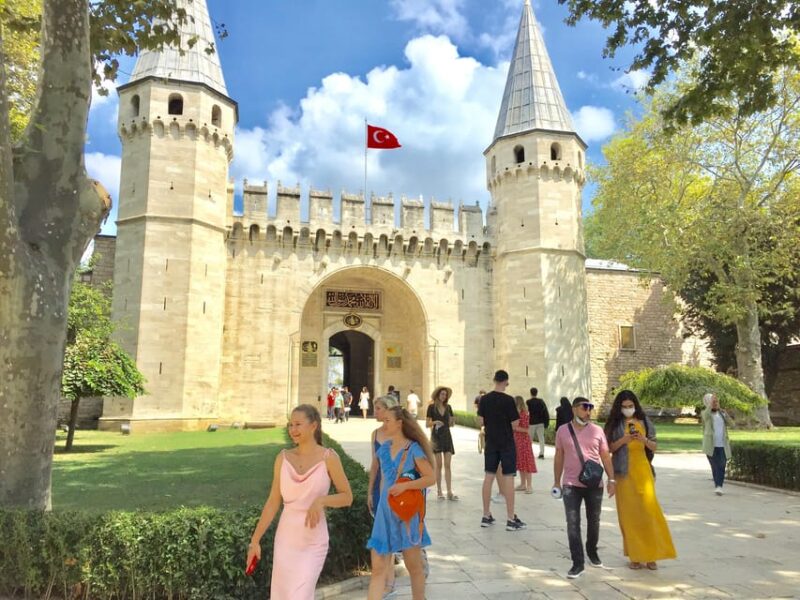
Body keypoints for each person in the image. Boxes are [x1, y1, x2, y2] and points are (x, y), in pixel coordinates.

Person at [247, 405, 353, 600]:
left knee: (300, 595)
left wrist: (321, 500)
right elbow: (273, 502)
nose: (292, 429)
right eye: (290, 424)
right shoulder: (283, 458)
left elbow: (347, 496)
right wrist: (255, 541)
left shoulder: (329, 457)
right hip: (286, 541)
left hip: (313, 542)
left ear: (313, 426)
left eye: (298, 424)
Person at [367, 405, 435, 600]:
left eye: (388, 420)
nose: (384, 423)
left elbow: (430, 478)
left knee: (414, 567)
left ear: (399, 423)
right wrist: (375, 499)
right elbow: (380, 480)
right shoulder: (384, 449)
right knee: (378, 569)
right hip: (385, 515)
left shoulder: (413, 449)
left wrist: (405, 487)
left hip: (407, 515)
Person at [604, 390, 676, 570]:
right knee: (629, 516)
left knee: (649, 512)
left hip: (643, 470)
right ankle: (635, 556)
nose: (628, 409)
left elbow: (654, 446)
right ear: (619, 408)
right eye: (624, 407)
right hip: (623, 473)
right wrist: (624, 439)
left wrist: (643, 439)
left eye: (630, 406)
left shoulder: (644, 422)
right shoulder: (615, 424)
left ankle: (652, 555)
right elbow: (609, 449)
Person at [553, 397, 616, 579]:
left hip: (594, 484)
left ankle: (592, 551)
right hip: (571, 484)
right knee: (572, 523)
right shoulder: (563, 431)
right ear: (574, 409)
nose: (588, 411)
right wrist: (557, 481)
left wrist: (612, 480)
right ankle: (577, 563)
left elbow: (605, 456)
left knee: (594, 520)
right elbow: (559, 456)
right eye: (584, 408)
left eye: (590, 408)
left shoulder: (597, 430)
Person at [477, 370, 525, 531]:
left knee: (488, 476)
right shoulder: (509, 400)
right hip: (506, 442)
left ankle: (486, 515)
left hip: (491, 442)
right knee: (509, 477)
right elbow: (515, 424)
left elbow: (480, 420)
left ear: (494, 380)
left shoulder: (484, 399)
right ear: (506, 382)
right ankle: (511, 518)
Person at [367, 395, 400, 597]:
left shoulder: (399, 433)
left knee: (390, 533)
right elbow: (374, 464)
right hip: (380, 488)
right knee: (383, 535)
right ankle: (387, 581)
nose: (375, 411)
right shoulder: (375, 433)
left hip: (395, 488)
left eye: (378, 408)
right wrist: (370, 491)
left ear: (388, 410)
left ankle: (390, 581)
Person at [426, 386, 457, 500]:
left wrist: (453, 421)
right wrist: (435, 422)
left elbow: (451, 424)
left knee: (448, 465)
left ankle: (449, 491)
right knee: (438, 466)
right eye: (442, 394)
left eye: (445, 395)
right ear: (438, 395)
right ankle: (439, 491)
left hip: (447, 437)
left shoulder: (449, 407)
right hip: (436, 437)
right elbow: (427, 424)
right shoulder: (431, 407)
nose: (444, 396)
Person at [701, 392, 733, 495]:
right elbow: (706, 415)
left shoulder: (721, 413)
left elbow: (732, 424)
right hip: (711, 445)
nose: (715, 403)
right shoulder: (706, 413)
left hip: (722, 444)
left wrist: (725, 413)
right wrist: (711, 404)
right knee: (715, 466)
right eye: (712, 401)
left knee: (722, 465)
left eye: (716, 401)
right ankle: (717, 486)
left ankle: (719, 486)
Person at [513, 395, 537, 493]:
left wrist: (514, 428)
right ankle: (523, 484)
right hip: (517, 441)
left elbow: (526, 429)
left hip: (523, 441)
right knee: (520, 462)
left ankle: (529, 486)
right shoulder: (515, 414)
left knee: (526, 463)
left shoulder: (524, 414)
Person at [526, 387, 549, 459]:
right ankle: (541, 453)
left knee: (530, 439)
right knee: (541, 438)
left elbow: (526, 412)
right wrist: (546, 422)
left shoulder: (528, 402)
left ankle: (529, 453)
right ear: (537, 393)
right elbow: (545, 412)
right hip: (540, 422)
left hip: (532, 422)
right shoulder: (541, 401)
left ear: (530, 393)